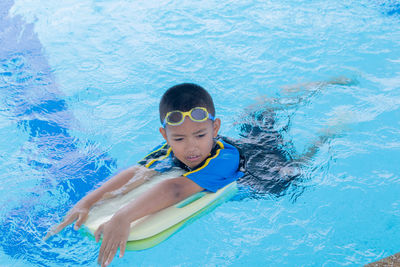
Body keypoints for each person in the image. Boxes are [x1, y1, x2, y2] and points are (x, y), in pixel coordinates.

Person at [44, 83, 244, 267]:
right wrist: (86, 202)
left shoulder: (225, 158)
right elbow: (137, 172)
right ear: (165, 136)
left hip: (263, 170)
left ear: (215, 128)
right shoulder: (169, 150)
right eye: (179, 138)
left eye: (200, 135)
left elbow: (175, 189)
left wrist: (124, 216)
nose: (191, 147)